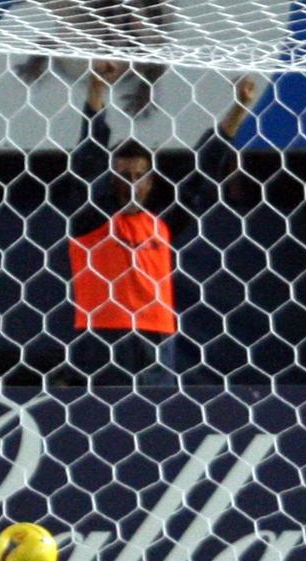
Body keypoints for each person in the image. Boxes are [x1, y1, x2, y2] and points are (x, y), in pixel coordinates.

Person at [63, 62, 257, 387]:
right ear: (111, 181)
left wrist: (239, 108)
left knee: (154, 422)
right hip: (103, 334)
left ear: (152, 183)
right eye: (124, 176)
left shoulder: (162, 225)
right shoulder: (90, 221)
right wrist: (97, 85)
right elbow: (89, 155)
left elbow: (204, 168)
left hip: (158, 336)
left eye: (140, 177)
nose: (133, 184)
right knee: (98, 421)